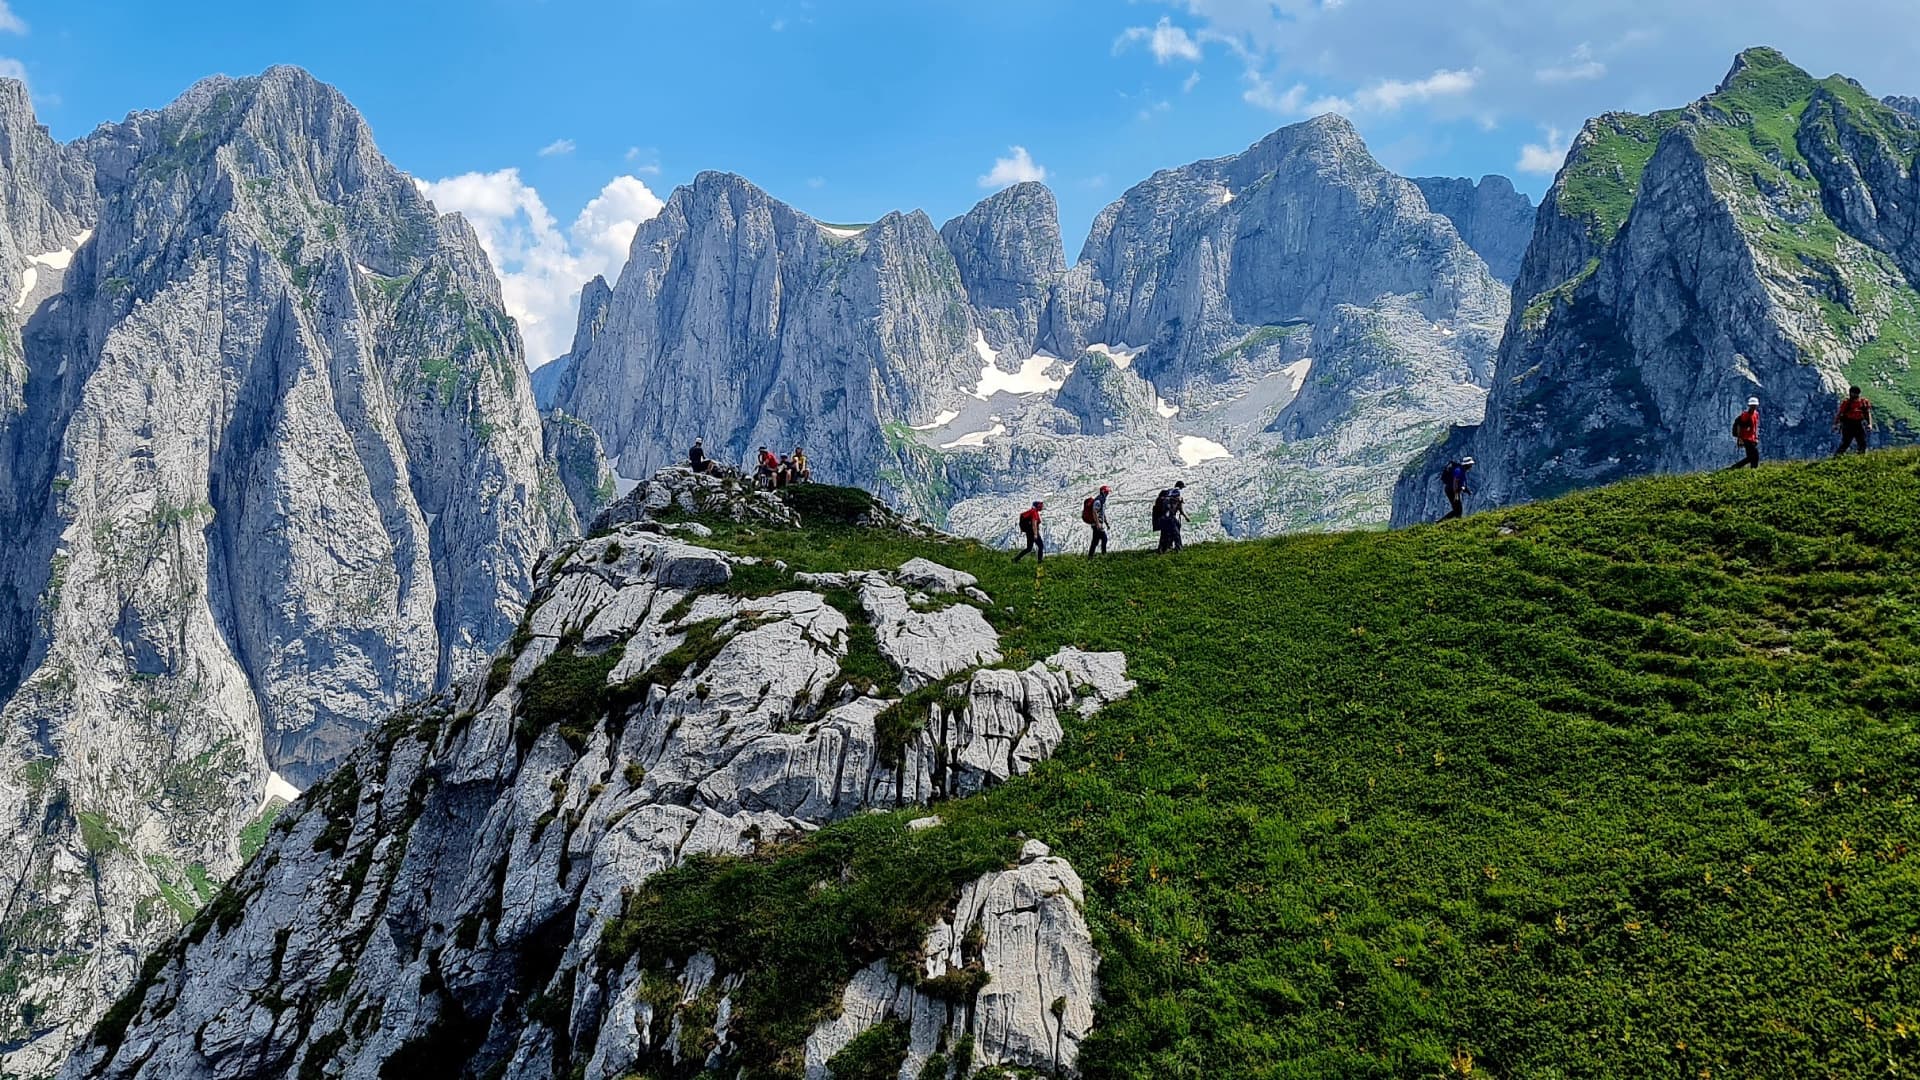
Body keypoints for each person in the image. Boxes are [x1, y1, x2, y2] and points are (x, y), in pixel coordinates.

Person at [1834, 386, 1872, 455]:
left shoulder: (1864, 402)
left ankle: (1861, 456)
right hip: (1848, 424)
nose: (1854, 395)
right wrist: (1836, 424)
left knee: (1862, 442)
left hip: (1858, 423)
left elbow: (1867, 413)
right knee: (1846, 443)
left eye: (1855, 394)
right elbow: (1840, 414)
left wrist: (1869, 424)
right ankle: (1837, 457)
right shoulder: (1847, 403)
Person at [1154, 481, 1189, 554]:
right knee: (1176, 532)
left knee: (1164, 533)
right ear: (1181, 487)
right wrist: (1186, 517)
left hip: (1162, 516)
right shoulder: (1178, 493)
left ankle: (1162, 549)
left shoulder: (1167, 492)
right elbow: (1180, 509)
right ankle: (1178, 549)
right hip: (1170, 516)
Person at [1727, 397, 1761, 470]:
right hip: (1746, 438)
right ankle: (1753, 469)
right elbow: (1739, 426)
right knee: (1755, 455)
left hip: (1752, 438)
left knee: (1750, 457)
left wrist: (1755, 438)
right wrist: (1740, 439)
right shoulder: (1745, 415)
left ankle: (1734, 468)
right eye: (1752, 405)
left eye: (1754, 405)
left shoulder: (1756, 414)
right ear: (1749, 406)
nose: (1753, 407)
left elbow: (1754, 427)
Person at [1439, 457, 1475, 521]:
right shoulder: (1459, 470)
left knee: (1457, 509)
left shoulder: (1462, 470)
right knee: (1458, 510)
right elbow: (1455, 482)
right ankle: (1442, 521)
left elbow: (1460, 483)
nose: (1471, 466)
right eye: (1470, 464)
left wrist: (1466, 490)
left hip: (1452, 490)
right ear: (1467, 464)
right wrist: (1456, 494)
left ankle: (1446, 521)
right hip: (1451, 491)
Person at [1083, 485, 1111, 556]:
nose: (1107, 494)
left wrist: (1106, 523)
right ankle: (1103, 555)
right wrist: (1098, 524)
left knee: (1095, 541)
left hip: (1096, 524)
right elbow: (1094, 511)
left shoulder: (1101, 500)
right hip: (1097, 524)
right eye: (1107, 492)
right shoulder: (1099, 500)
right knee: (1104, 539)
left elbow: (1102, 512)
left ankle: (1090, 556)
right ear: (1103, 492)